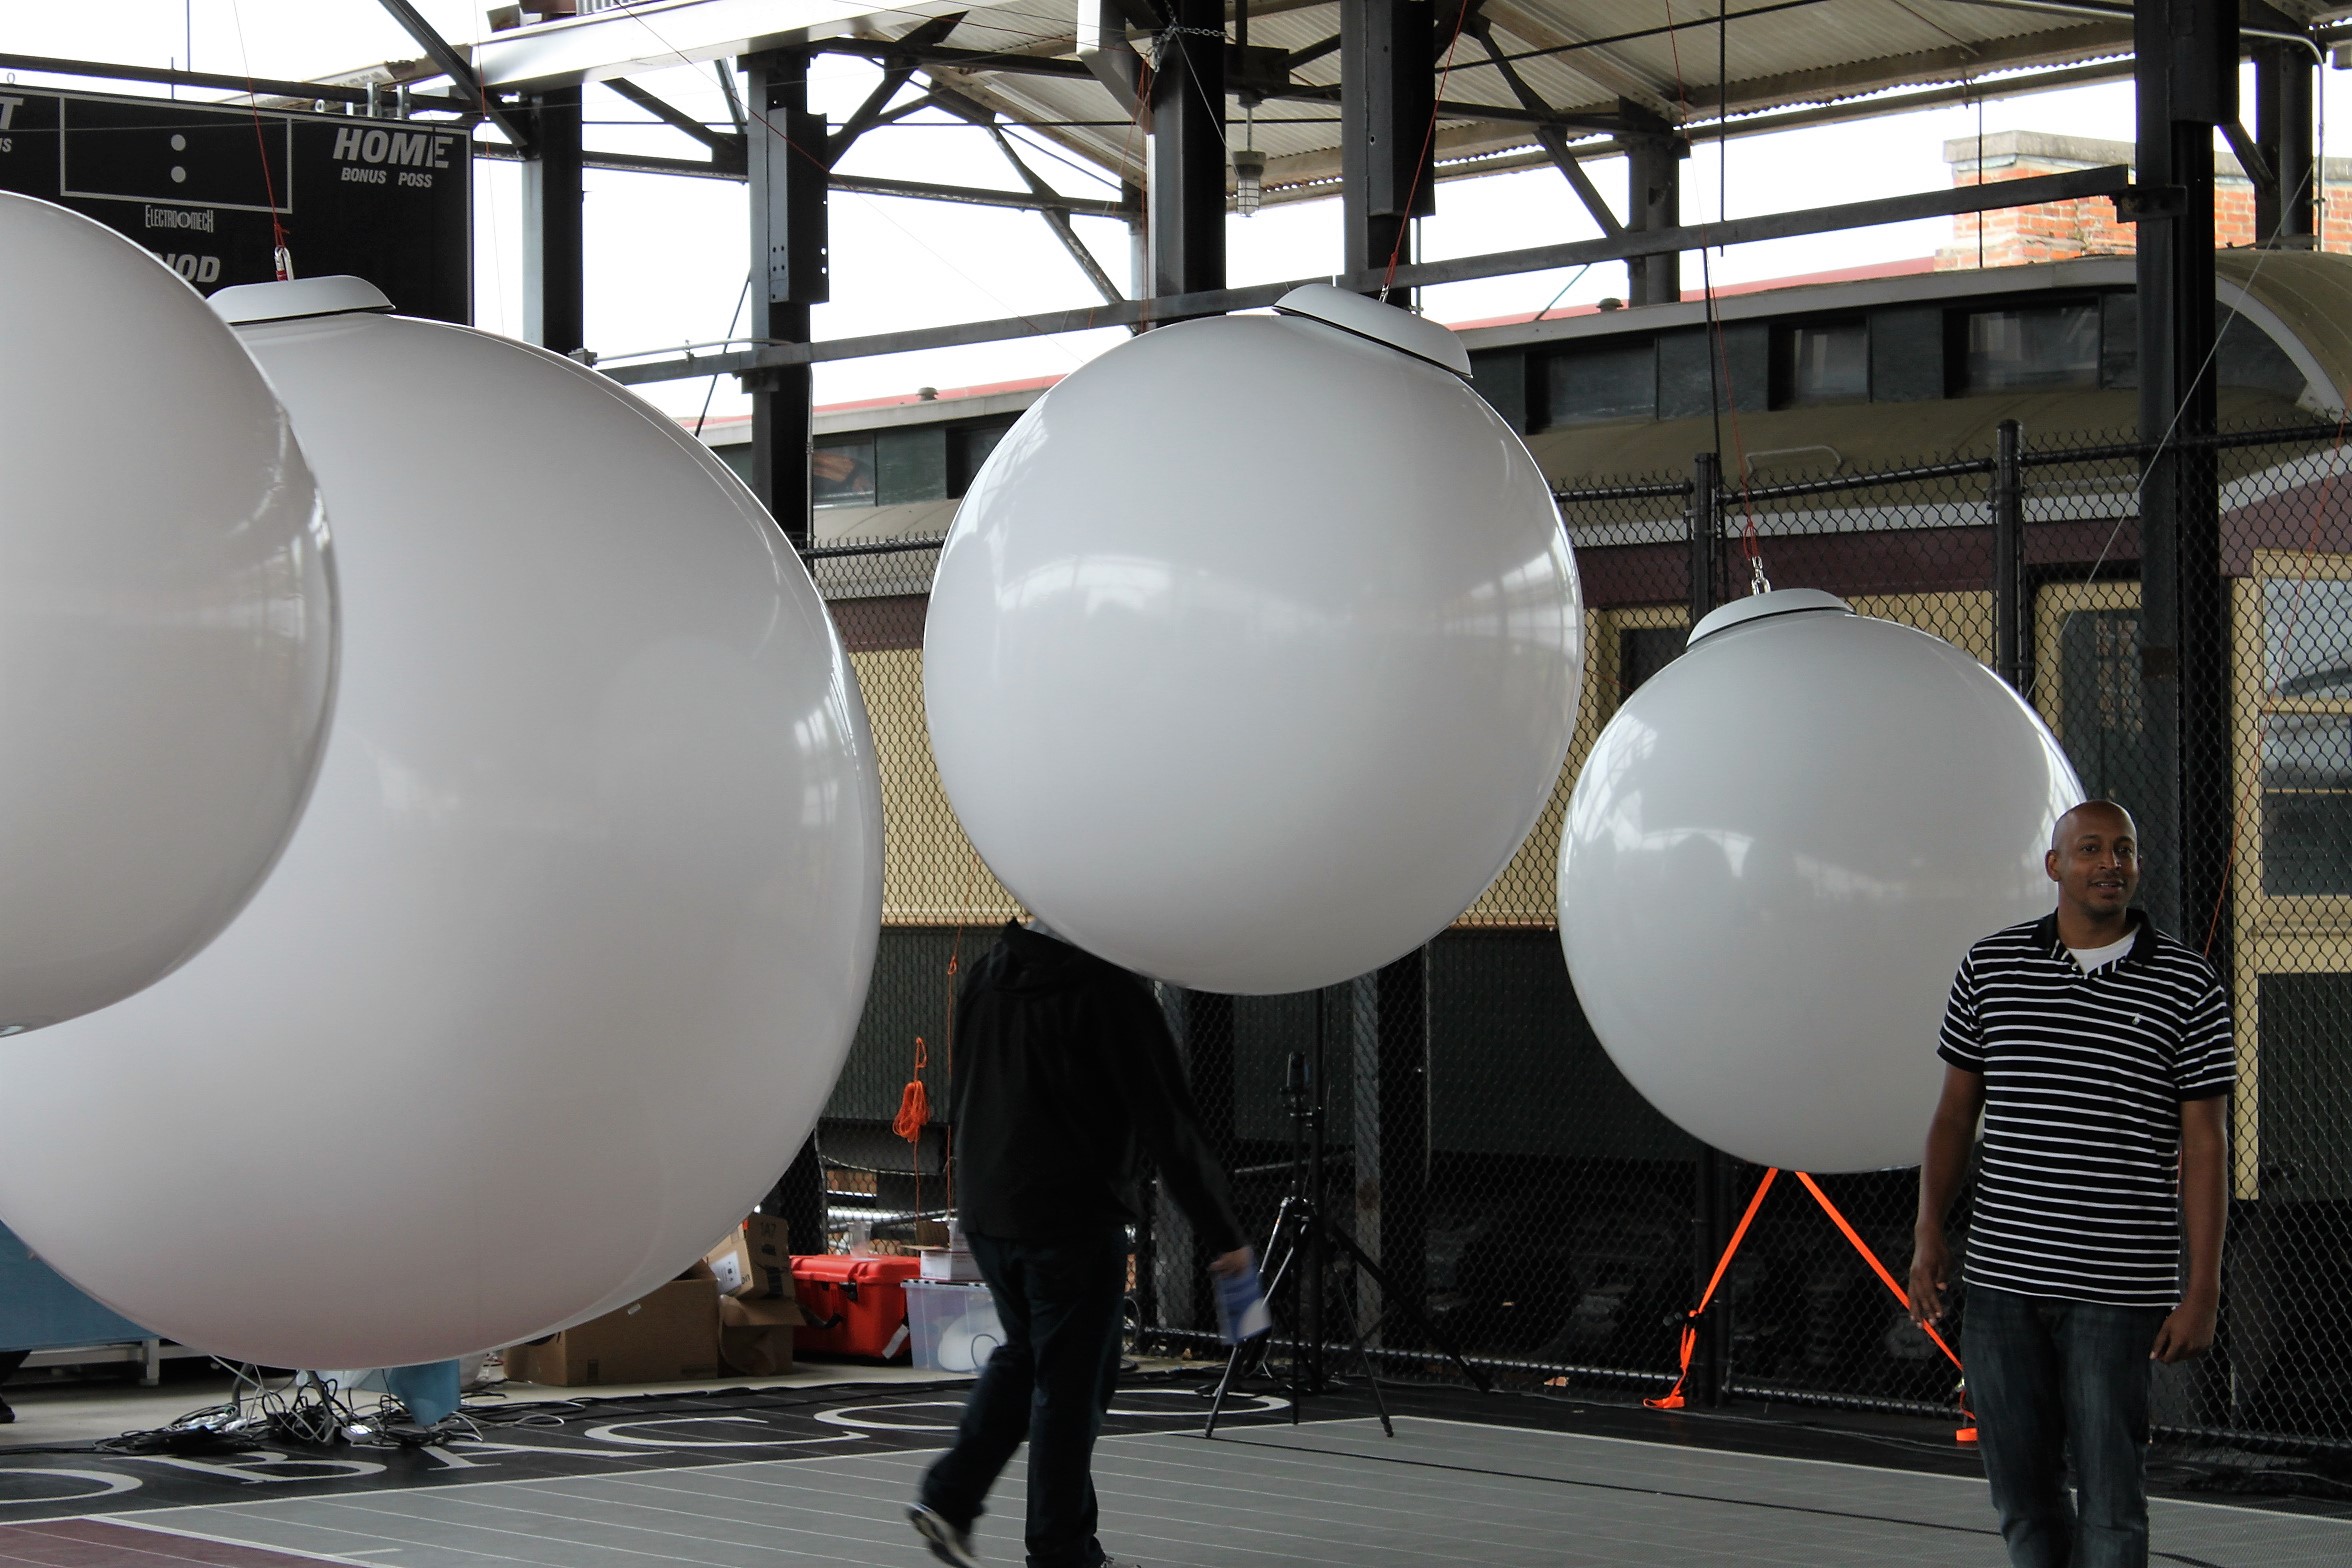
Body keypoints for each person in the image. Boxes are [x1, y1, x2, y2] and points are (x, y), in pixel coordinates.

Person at [1910, 800, 2233, 1568]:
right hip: (2002, 1286)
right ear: (2054, 865)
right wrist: (1928, 1231)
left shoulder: (2188, 985)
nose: (2110, 864)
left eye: (2124, 850)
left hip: (2117, 1291)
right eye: (2090, 849)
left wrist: (2203, 1291)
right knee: (2022, 1498)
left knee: (2112, 1501)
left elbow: (2206, 1145)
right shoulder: (1991, 967)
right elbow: (1954, 1115)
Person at [911, 920, 1250, 1568]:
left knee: (1028, 1356)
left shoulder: (986, 973)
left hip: (990, 1207)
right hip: (1070, 1217)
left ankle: (949, 1498)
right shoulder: (1111, 991)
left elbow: (968, 1082)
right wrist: (1223, 1232)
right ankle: (1060, 1550)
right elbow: (1167, 1123)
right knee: (1072, 1386)